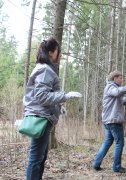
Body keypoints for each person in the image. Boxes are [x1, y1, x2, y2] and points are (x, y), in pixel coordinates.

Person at [24, 37, 82, 180]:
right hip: (40, 118)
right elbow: (41, 96)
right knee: (36, 158)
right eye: (58, 51)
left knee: (40, 157)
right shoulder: (44, 70)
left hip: (44, 116)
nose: (60, 55)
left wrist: (58, 106)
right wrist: (65, 96)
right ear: (51, 52)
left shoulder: (46, 68)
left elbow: (47, 94)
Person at [92, 71, 126, 173]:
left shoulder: (114, 88)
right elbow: (117, 92)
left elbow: (122, 101)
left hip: (109, 120)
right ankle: (117, 167)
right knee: (119, 143)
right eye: (120, 78)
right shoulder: (110, 87)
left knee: (108, 142)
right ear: (114, 78)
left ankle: (96, 164)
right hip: (113, 121)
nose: (122, 80)